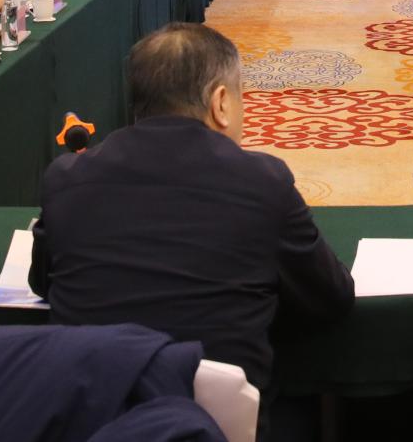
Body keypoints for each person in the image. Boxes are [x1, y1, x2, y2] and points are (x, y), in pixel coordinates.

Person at [31, 23, 353, 394]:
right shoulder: (263, 182)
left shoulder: (66, 178)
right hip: (211, 418)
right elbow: (330, 298)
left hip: (90, 410)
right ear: (221, 103)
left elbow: (43, 282)